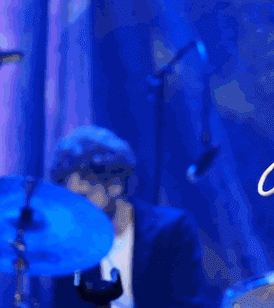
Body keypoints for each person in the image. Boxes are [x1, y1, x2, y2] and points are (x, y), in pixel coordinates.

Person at [48, 126, 205, 308]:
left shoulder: (172, 230)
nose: (77, 209)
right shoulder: (72, 243)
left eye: (84, 196)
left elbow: (184, 303)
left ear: (116, 186)